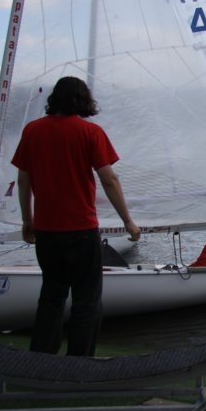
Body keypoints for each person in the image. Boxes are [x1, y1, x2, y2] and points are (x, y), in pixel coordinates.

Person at [11, 76, 140, 357]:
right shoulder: (90, 132)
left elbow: (23, 181)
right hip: (81, 230)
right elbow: (109, 179)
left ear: (55, 99)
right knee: (87, 301)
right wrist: (128, 221)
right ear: (84, 100)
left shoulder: (32, 131)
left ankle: (41, 360)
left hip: (46, 231)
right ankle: (80, 363)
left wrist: (27, 221)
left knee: (51, 297)